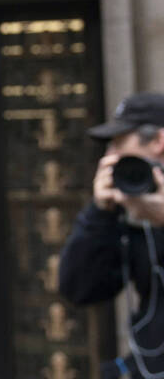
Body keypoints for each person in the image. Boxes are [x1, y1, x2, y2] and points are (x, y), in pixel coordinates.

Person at [59, 92, 164, 379]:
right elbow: (80, 289)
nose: (109, 158)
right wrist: (99, 214)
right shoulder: (128, 218)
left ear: (158, 141)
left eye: (118, 144)